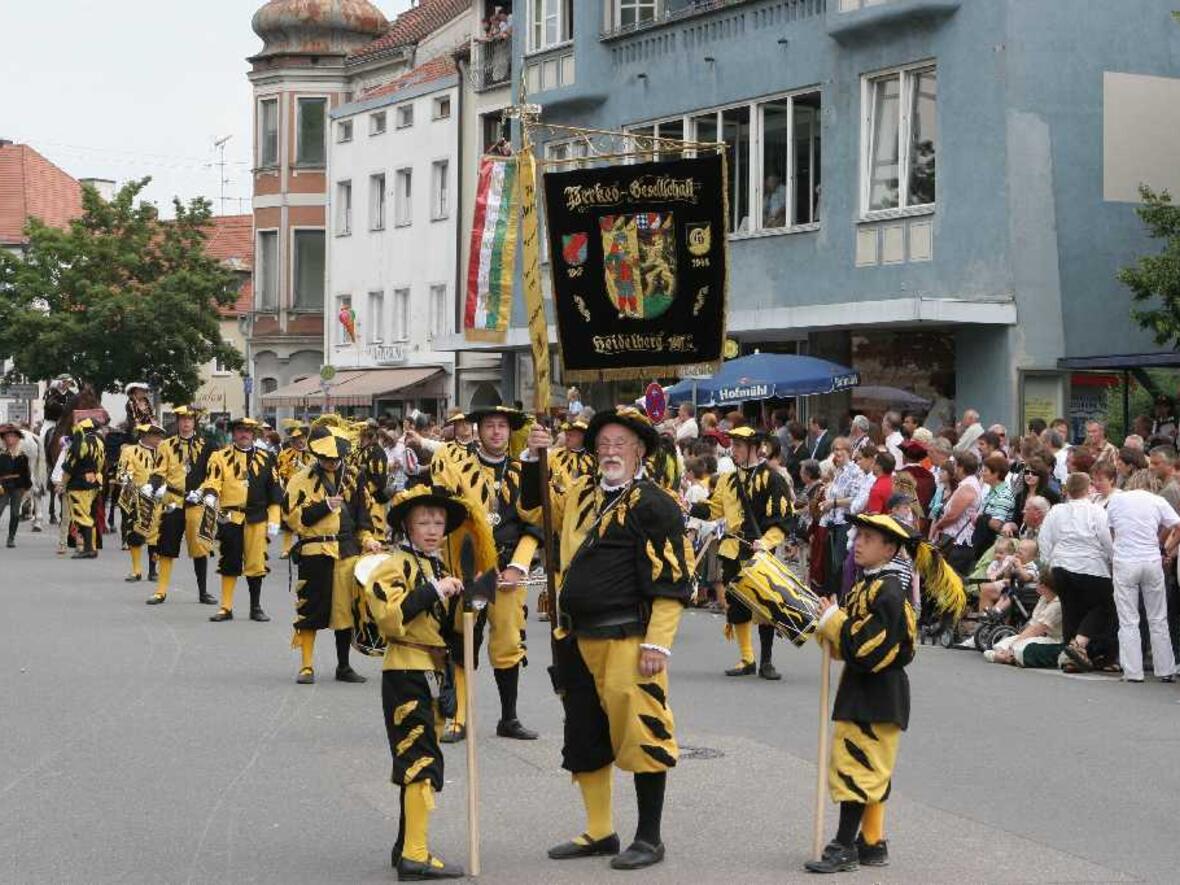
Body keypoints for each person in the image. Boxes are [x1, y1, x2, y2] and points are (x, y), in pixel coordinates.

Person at [522, 407, 692, 871]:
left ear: (639, 451)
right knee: (584, 736)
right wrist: (535, 458)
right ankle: (599, 831)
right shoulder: (581, 492)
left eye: (620, 444)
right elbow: (535, 509)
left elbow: (674, 581)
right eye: (603, 445)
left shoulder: (656, 504)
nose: (610, 452)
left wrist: (659, 642)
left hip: (628, 639)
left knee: (643, 734)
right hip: (575, 636)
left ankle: (650, 838)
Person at [806, 513, 964, 874]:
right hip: (864, 687)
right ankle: (872, 843)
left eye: (867, 537)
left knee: (857, 768)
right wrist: (829, 625)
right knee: (871, 768)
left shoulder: (889, 590)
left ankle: (844, 846)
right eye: (857, 535)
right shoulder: (869, 584)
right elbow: (849, 641)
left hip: (877, 691)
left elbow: (869, 649)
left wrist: (835, 621)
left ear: (890, 548)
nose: (857, 542)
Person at [365, 485, 471, 881]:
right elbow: (389, 617)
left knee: (420, 758)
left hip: (435, 670)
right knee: (420, 760)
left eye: (438, 522)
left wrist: (471, 602)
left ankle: (404, 845)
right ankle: (415, 855)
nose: (432, 529)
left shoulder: (440, 568)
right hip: (405, 669)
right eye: (424, 521)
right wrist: (432, 591)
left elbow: (453, 628)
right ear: (407, 525)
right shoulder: (393, 565)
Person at [430, 405, 542, 742]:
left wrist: (517, 566)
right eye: (490, 426)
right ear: (478, 430)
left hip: (509, 571)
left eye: (502, 427)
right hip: (473, 572)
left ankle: (509, 718)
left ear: (510, 432)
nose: (496, 432)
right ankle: (458, 718)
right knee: (465, 640)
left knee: (508, 643)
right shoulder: (457, 465)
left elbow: (534, 523)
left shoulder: (525, 471)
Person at [689, 426, 792, 680]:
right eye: (732, 446)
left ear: (754, 449)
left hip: (759, 550)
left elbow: (782, 518)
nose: (733, 451)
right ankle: (747, 658)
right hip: (732, 549)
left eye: (738, 446)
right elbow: (713, 510)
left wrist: (766, 543)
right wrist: (687, 506)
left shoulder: (772, 478)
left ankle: (766, 661)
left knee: (765, 605)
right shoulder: (727, 479)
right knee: (736, 605)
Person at [284, 426, 381, 685]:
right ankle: (306, 666)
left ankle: (344, 666)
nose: (332, 462)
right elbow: (294, 518)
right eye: (327, 458)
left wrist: (368, 539)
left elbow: (362, 514)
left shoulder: (353, 476)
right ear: (317, 455)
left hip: (347, 550)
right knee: (310, 608)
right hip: (315, 550)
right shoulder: (300, 479)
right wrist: (324, 506)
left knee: (345, 612)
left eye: (336, 458)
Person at [200, 417, 282, 623]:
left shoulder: (267, 457)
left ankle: (256, 607)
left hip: (257, 517)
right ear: (233, 433)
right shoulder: (220, 456)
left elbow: (274, 491)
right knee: (229, 561)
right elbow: (212, 480)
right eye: (239, 430)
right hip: (230, 516)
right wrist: (210, 494)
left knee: (256, 563)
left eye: (248, 430)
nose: (244, 434)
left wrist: (274, 518)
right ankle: (226, 607)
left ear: (253, 434)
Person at [1105, 485, 1180, 682]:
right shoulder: (1158, 501)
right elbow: (1177, 525)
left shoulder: (1116, 501)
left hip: (1126, 561)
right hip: (1151, 560)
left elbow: (1111, 530)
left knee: (1128, 619)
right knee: (1158, 617)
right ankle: (1165, 669)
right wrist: (1166, 549)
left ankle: (1133, 671)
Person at [146, 405, 217, 605]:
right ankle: (161, 591)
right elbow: (159, 470)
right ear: (177, 422)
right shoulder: (166, 445)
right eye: (182, 419)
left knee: (199, 547)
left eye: (189, 419)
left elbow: (213, 475)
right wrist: (152, 486)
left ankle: (203, 592)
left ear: (195, 422)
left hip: (196, 502)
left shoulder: (208, 445)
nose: (186, 423)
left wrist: (203, 491)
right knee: (166, 546)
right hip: (173, 501)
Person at [116, 423, 165, 583]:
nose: (159, 439)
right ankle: (136, 570)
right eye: (155, 436)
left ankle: (153, 570)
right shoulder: (129, 451)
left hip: (157, 498)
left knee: (156, 536)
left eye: (159, 436)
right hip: (135, 498)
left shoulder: (163, 452)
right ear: (145, 436)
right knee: (135, 535)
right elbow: (122, 472)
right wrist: (127, 479)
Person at [983, 572, 1064, 667]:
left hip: (1055, 640)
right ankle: (1006, 656)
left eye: (1037, 583)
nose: (1035, 585)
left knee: (1021, 646)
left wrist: (1014, 644)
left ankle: (1007, 656)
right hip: (1042, 636)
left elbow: (1037, 629)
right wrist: (1017, 638)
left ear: (1044, 586)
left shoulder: (1058, 603)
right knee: (1001, 645)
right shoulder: (1043, 598)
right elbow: (1033, 623)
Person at [929, 452, 982, 575]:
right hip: (957, 541)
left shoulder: (968, 486)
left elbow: (953, 515)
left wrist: (938, 526)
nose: (954, 469)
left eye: (956, 465)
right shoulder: (968, 484)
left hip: (959, 542)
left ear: (962, 467)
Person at [818, 437, 858, 596]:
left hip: (845, 523)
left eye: (840, 449)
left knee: (840, 565)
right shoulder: (838, 471)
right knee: (831, 566)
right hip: (833, 522)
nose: (837, 452)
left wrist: (833, 503)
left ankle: (841, 599)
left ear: (848, 451)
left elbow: (855, 499)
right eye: (835, 449)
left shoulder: (854, 471)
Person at [62, 417, 106, 559]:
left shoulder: (80, 441)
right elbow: (101, 463)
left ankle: (88, 548)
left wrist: (63, 484)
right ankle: (91, 546)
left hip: (78, 484)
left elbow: (70, 464)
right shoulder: (99, 441)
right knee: (89, 514)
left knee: (81, 516)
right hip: (93, 481)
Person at [275, 422, 314, 559]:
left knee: (305, 520)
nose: (300, 441)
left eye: (302, 438)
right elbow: (279, 472)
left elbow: (313, 473)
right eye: (297, 439)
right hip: (290, 492)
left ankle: (303, 546)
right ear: (292, 441)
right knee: (287, 522)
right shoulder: (285, 454)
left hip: (307, 493)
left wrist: (302, 466)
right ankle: (286, 549)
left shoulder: (311, 454)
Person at [0, 423, 32, 548]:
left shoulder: (23, 456)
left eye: (13, 437)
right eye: (7, 437)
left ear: (17, 439)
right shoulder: (1, 455)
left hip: (18, 487)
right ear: (4, 439)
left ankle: (11, 538)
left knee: (14, 513)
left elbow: (26, 474)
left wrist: (26, 488)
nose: (10, 439)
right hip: (3, 486)